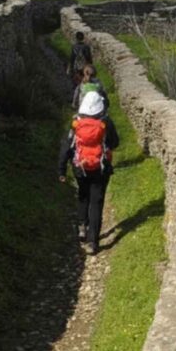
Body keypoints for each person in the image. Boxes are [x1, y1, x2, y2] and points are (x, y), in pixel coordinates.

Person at [59, 90, 119, 255]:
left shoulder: (76, 123)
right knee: (96, 202)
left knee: (83, 195)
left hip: (80, 167)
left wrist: (62, 169)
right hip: (100, 168)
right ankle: (93, 242)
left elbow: (67, 147)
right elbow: (115, 143)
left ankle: (81, 228)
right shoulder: (105, 122)